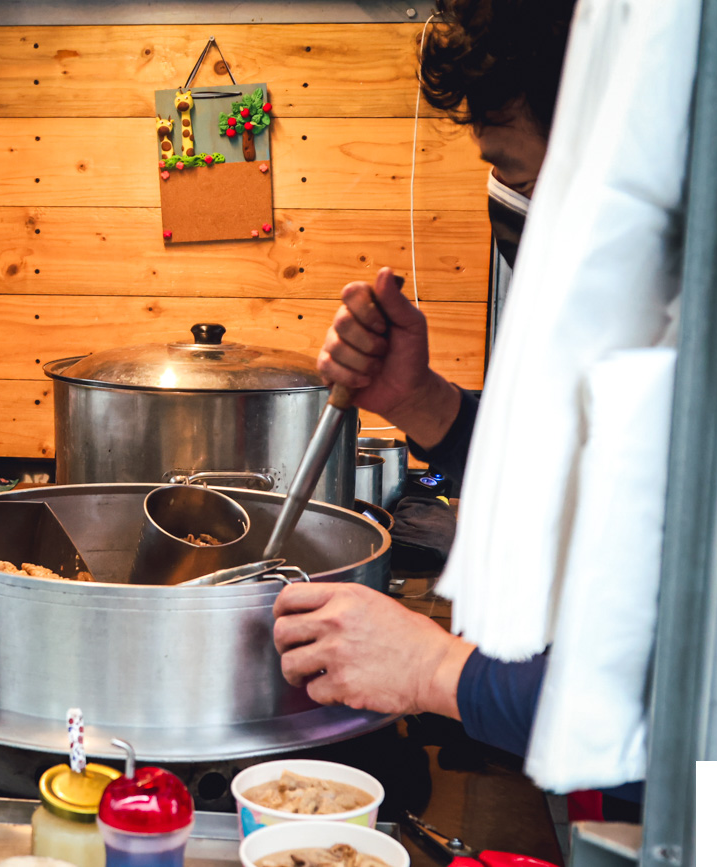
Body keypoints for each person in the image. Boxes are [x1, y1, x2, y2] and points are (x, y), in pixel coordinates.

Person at [273, 0, 577, 760]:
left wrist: (434, 666)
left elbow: (701, 704)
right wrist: (425, 405)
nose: (512, 203)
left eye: (515, 172)